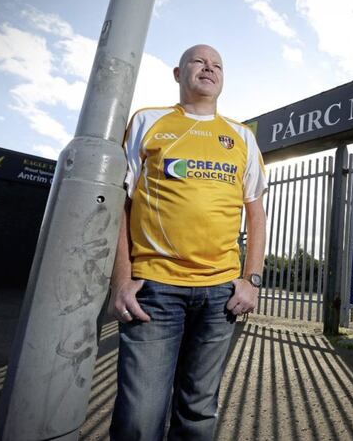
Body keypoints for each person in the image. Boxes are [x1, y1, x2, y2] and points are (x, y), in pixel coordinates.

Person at [107, 44, 267, 440]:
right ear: (179, 74)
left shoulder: (242, 137)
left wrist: (253, 279)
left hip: (220, 295)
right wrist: (121, 280)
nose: (209, 68)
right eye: (199, 61)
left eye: (217, 64)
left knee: (198, 412)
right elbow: (120, 206)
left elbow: (256, 213)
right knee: (140, 416)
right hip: (155, 289)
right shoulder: (148, 121)